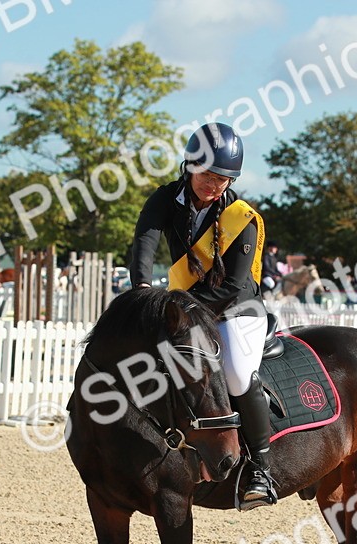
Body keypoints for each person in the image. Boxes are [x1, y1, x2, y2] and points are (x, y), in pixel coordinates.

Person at [128, 121, 275, 510]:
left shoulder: (242, 218)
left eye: (223, 180)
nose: (213, 186)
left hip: (235, 310)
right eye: (207, 176)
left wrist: (182, 312)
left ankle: (260, 467)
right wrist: (142, 289)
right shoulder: (165, 198)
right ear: (190, 167)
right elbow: (145, 240)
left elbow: (231, 288)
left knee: (237, 374)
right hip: (188, 307)